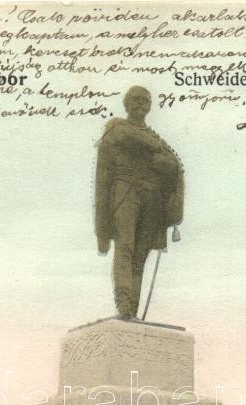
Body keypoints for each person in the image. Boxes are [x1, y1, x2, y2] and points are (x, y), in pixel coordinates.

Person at [95, 86, 184, 319]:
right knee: (125, 246)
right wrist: (155, 152)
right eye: (135, 99)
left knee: (141, 254)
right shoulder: (117, 126)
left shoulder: (155, 137)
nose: (140, 103)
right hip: (125, 189)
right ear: (126, 104)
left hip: (152, 196)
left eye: (145, 100)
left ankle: (132, 309)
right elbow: (124, 136)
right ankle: (123, 302)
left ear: (150, 106)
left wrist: (160, 159)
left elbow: (173, 165)